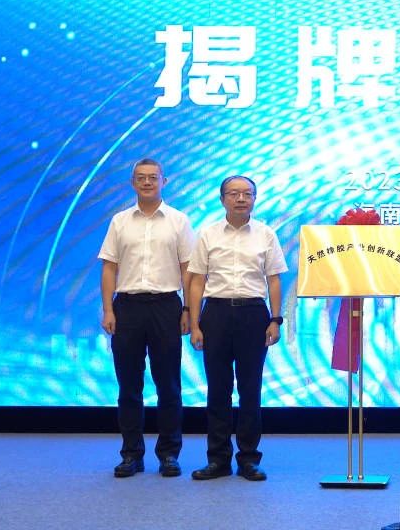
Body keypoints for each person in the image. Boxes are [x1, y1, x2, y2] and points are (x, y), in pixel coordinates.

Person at [98, 158, 196, 478]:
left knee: (169, 385)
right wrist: (108, 309)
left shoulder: (179, 221)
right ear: (133, 183)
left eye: (153, 177)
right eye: (141, 177)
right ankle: (131, 454)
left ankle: (169, 454)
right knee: (129, 385)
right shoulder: (120, 221)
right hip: (127, 307)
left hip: (166, 306)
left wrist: (188, 310)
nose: (147, 182)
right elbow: (109, 267)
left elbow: (188, 269)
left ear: (164, 181)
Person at [185, 175, 287, 481]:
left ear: (254, 199)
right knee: (218, 390)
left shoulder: (266, 234)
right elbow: (197, 281)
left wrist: (276, 319)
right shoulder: (208, 234)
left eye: (247, 194)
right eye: (233, 193)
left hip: (253, 314)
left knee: (250, 389)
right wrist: (195, 324)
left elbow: (274, 280)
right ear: (222, 199)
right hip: (215, 313)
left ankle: (248, 459)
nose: (241, 199)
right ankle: (217, 459)